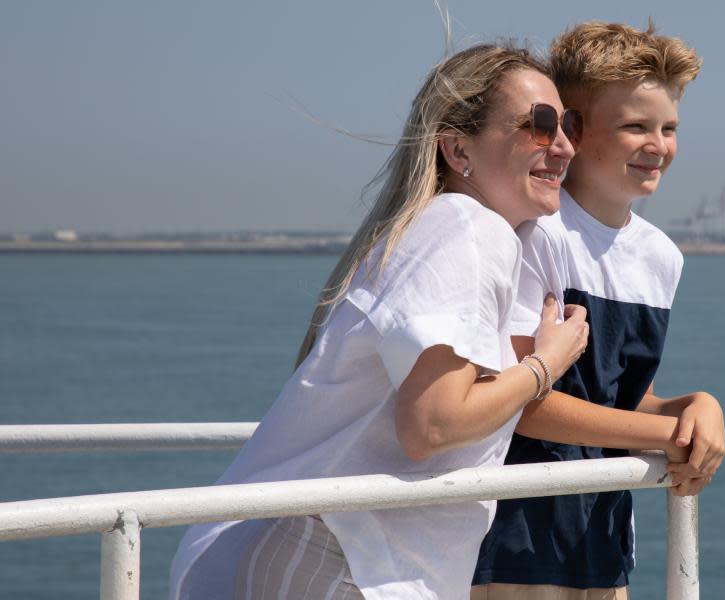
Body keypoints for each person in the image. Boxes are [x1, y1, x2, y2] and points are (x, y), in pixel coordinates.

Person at [169, 42, 588, 600]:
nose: (561, 146)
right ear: (458, 149)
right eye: (539, 124)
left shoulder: (450, 231)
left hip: (327, 552)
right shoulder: (467, 229)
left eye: (569, 125)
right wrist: (546, 363)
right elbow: (431, 425)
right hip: (337, 557)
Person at [472, 22, 725, 600]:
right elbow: (520, 403)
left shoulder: (662, 258)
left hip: (602, 544)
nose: (658, 145)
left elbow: (617, 395)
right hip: (513, 545)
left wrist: (696, 407)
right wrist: (666, 434)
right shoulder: (536, 233)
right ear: (575, 130)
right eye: (635, 126)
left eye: (669, 127)